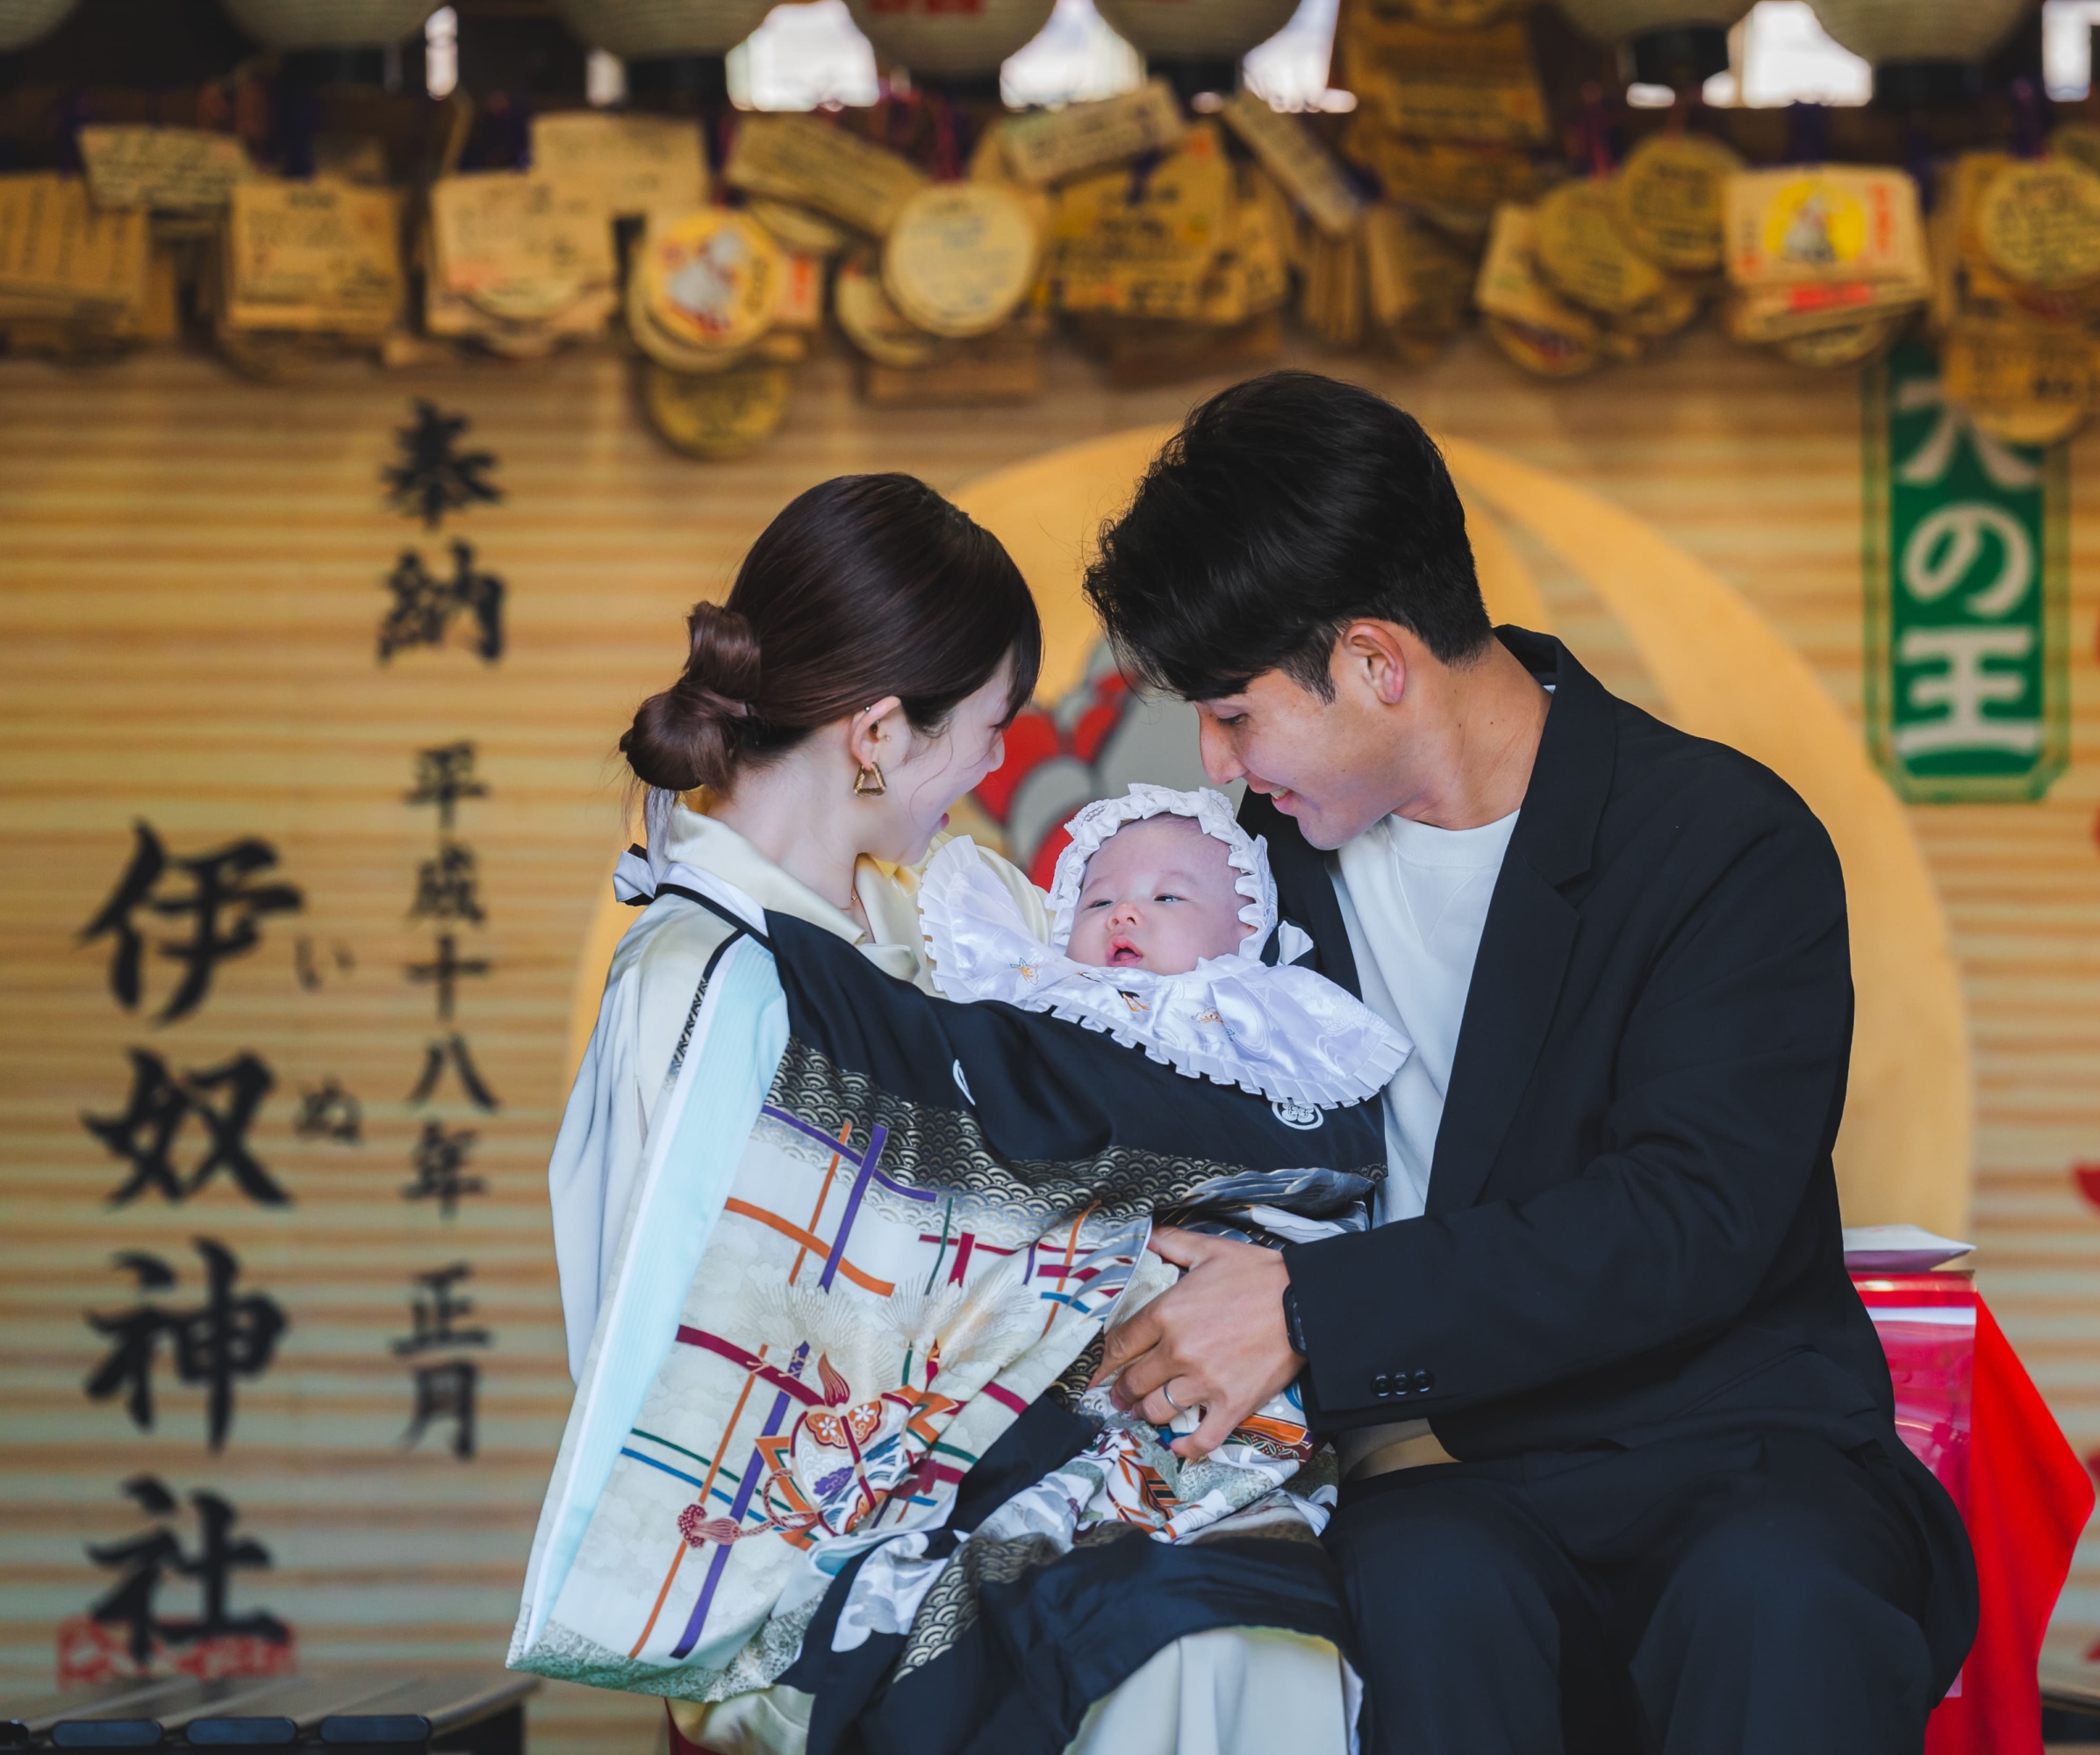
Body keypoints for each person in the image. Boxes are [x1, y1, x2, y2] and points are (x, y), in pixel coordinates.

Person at [1083, 373, 1981, 1755]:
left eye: (1237, 715)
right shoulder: (1247, 880)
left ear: (1378, 661)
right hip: (1434, 1484)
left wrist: (1315, 1313)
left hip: (1730, 1445)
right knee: (1424, 1591)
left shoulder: (1720, 839)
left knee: (1781, 1598)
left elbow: (1689, 1217)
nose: (1217, 766)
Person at [541, 473, 1357, 1755]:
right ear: (877, 730)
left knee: (1270, 1634)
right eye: (990, 725)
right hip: (834, 1547)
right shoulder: (702, 982)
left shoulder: (952, 925)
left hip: (1067, 1477)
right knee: (1181, 1663)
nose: (997, 764)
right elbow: (678, 1378)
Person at [919, 782, 1411, 1113]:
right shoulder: (1058, 981)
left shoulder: (1253, 1003)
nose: (1123, 913)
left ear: (1245, 932)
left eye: (1167, 897)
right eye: (1099, 901)